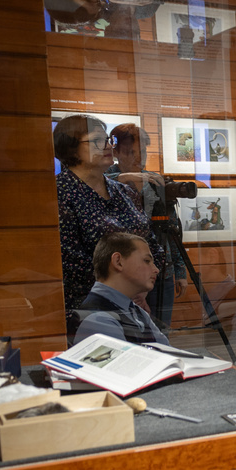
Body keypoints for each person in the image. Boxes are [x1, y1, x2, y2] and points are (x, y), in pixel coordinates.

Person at [54, 114, 165, 314]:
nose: (107, 146)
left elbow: (150, 243)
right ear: (71, 147)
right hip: (88, 308)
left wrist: (140, 288)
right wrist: (126, 288)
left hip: (134, 301)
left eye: (107, 140)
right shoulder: (59, 192)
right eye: (97, 141)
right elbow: (71, 261)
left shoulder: (125, 191)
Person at [109, 124, 188, 328]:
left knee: (161, 332)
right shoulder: (106, 180)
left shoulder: (153, 181)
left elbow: (172, 231)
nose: (138, 158)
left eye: (142, 152)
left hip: (162, 270)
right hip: (124, 273)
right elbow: (89, 183)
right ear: (116, 152)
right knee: (131, 333)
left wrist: (180, 272)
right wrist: (123, 178)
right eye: (130, 152)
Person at [73, 232, 168, 345]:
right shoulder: (98, 320)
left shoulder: (137, 312)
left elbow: (169, 353)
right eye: (147, 261)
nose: (156, 269)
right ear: (118, 262)